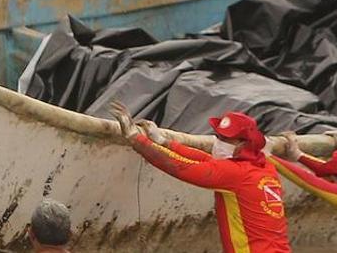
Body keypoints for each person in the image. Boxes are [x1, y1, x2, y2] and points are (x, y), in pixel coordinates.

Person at [108, 101, 291, 253]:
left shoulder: (234, 173)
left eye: (226, 139)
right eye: (218, 136)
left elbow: (182, 167)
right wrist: (164, 142)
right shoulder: (264, 166)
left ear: (244, 143)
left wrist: (136, 138)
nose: (219, 143)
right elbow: (206, 160)